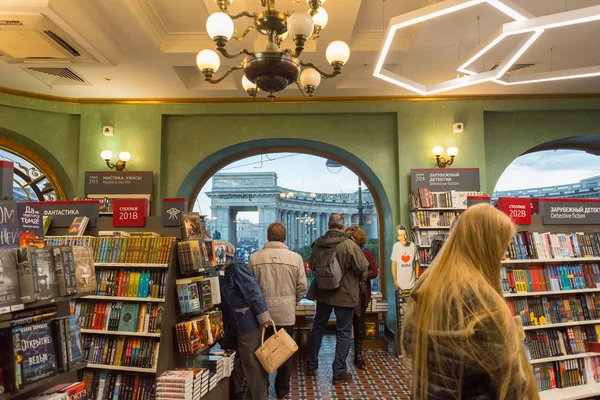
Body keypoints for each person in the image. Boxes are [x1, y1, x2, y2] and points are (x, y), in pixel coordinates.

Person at [401, 204, 539, 399]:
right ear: (488, 245)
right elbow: (511, 382)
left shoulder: (429, 284)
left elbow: (410, 343)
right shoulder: (483, 299)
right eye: (503, 246)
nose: (504, 254)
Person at [306, 214, 369, 384]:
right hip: (345, 293)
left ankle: (311, 365)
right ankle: (339, 372)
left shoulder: (318, 243)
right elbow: (363, 266)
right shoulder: (349, 244)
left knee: (318, 327)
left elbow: (311, 266)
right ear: (342, 227)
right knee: (344, 332)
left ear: (328, 225)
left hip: (323, 292)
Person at [249, 222, 307, 400]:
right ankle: (282, 392)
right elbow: (302, 286)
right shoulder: (296, 258)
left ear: (268, 236)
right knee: (284, 353)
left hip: (261, 315)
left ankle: (263, 390)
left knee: (261, 352)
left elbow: (250, 288)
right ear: (285, 237)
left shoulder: (254, 258)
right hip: (285, 313)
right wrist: (292, 301)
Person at [219, 241, 272, 400]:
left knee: (252, 363)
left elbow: (253, 292)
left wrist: (263, 318)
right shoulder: (220, 270)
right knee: (231, 359)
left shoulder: (236, 268)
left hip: (245, 322)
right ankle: (234, 392)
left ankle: (260, 397)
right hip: (230, 323)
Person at [346, 226, 379, 370]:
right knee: (346, 327)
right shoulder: (346, 252)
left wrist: (363, 274)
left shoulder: (366, 253)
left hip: (362, 294)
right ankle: (345, 356)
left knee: (359, 327)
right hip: (347, 294)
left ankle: (358, 355)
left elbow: (375, 271)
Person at [390, 224, 417, 290]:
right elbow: (393, 265)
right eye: (401, 235)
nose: (404, 237)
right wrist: (395, 280)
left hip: (412, 284)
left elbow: (417, 263)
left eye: (405, 234)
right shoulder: (395, 247)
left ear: (407, 235)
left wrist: (417, 278)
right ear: (398, 237)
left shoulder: (413, 246)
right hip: (400, 284)